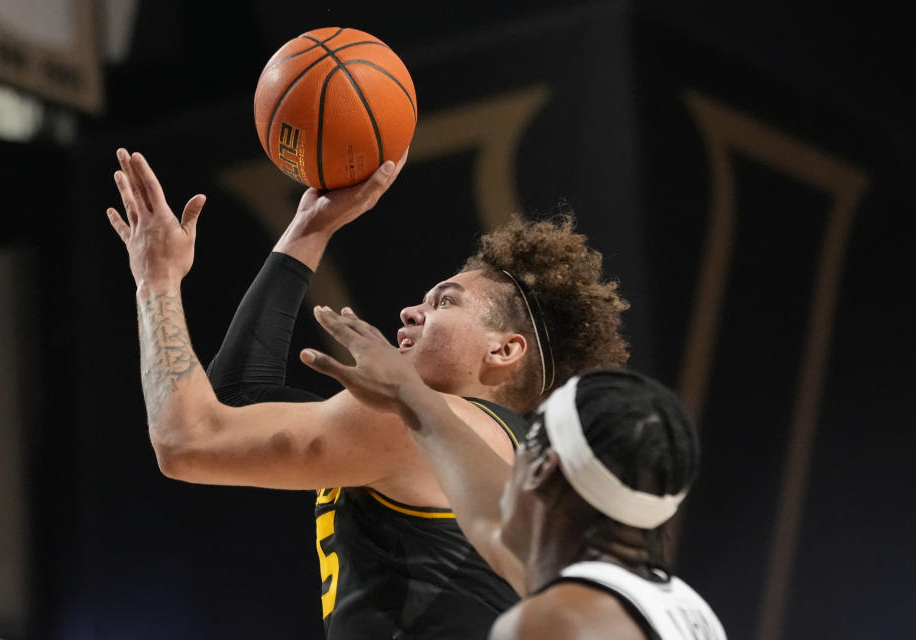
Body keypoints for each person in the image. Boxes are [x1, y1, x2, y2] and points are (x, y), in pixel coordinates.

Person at [105, 147, 630, 639]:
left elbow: (187, 440)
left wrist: (156, 281)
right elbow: (239, 402)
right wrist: (309, 227)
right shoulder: (502, 451)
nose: (411, 311)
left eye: (446, 303)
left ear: (503, 350)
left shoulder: (405, 425)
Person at [302, 308, 726, 639]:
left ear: (543, 467)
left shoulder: (550, 625)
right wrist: (408, 395)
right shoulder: (693, 613)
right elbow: (486, 515)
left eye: (532, 434)